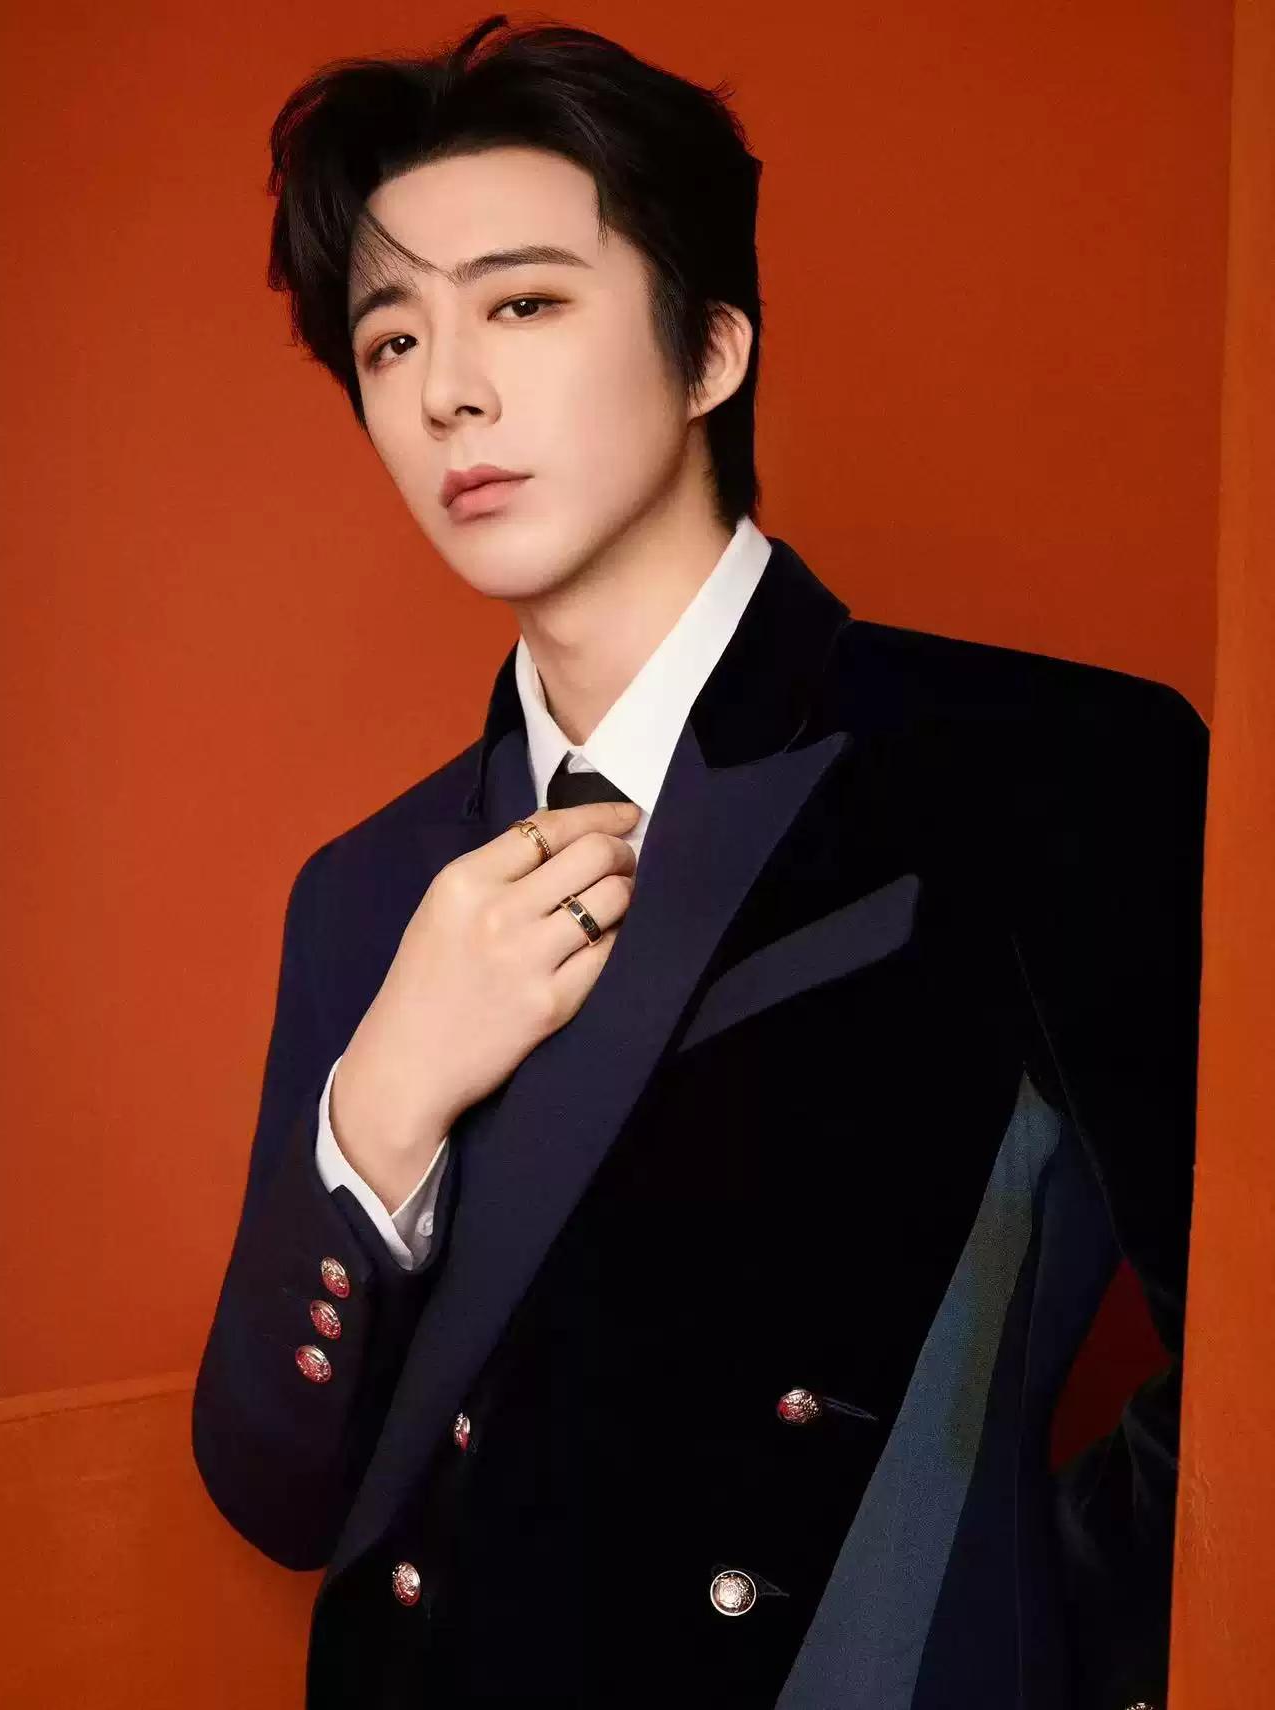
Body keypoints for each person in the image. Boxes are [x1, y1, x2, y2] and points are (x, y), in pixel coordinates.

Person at [191, 16, 1210, 1710]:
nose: (444, 390)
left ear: (712, 345)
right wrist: (379, 1107)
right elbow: (274, 1486)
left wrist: (1015, 1634)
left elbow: (1247, 1362)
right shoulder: (370, 890)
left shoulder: (1043, 769)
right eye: (390, 336)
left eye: (522, 304)